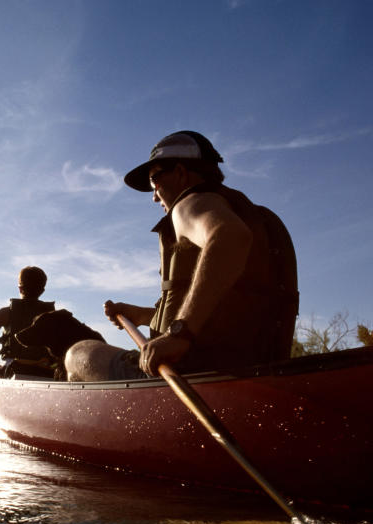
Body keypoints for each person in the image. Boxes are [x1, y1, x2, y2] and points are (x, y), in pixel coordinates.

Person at [64, 131, 298, 381]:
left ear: (180, 173)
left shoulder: (190, 203)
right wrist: (142, 316)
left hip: (185, 376)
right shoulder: (256, 216)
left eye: (155, 180)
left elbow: (230, 236)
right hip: (257, 370)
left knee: (78, 353)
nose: (154, 195)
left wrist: (178, 334)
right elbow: (226, 308)